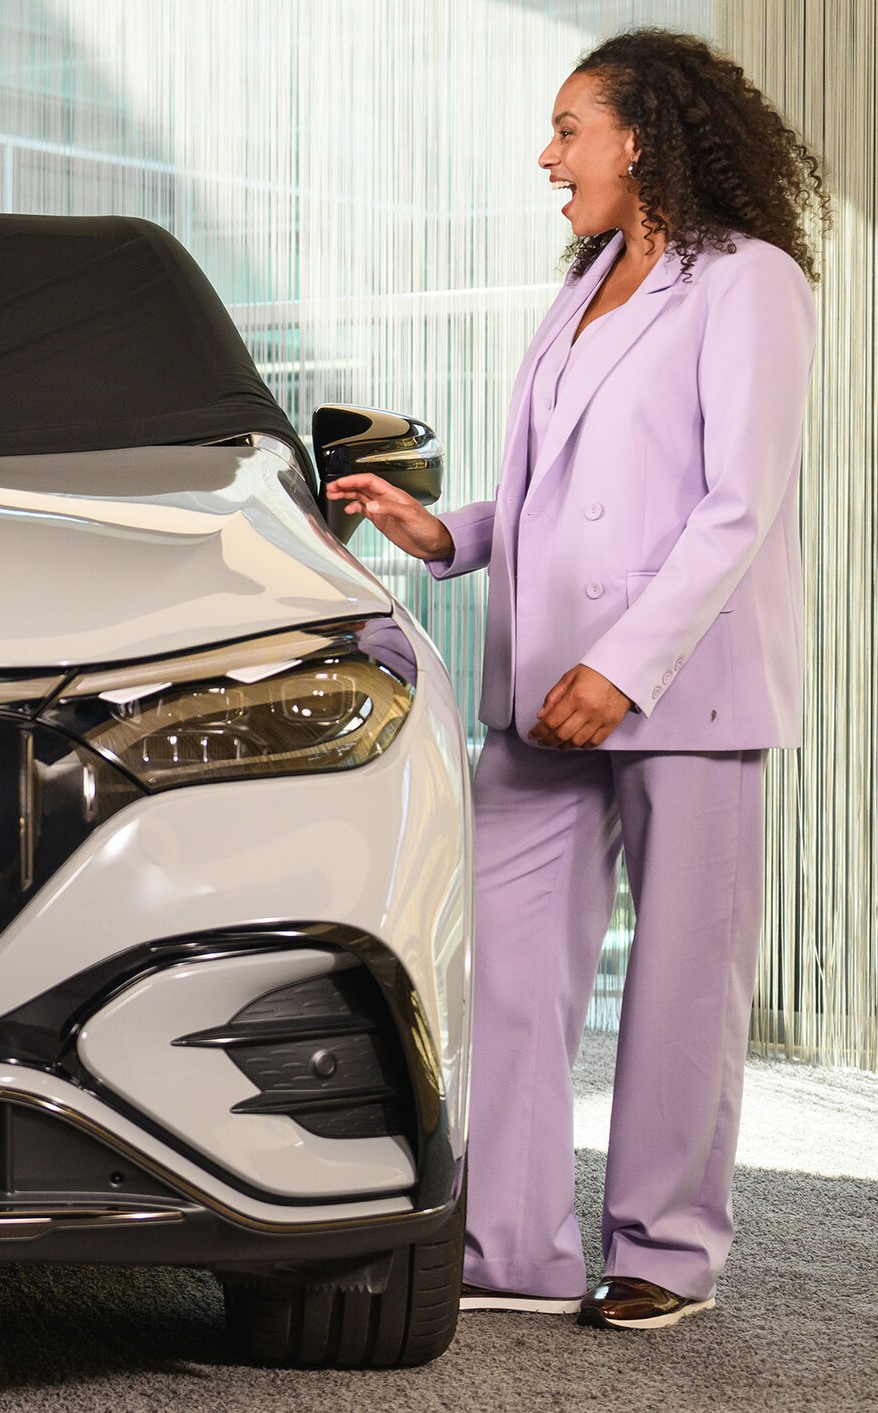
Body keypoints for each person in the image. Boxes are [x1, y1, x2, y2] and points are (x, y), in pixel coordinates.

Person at [327, 28, 827, 1331]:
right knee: (502, 965)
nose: (549, 157)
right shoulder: (589, 282)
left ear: (643, 136)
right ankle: (510, 1244)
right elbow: (567, 492)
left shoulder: (750, 281)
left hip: (686, 689)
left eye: (569, 129)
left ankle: (665, 1248)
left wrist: (623, 668)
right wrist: (447, 532)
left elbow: (736, 504)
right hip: (542, 693)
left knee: (679, 977)